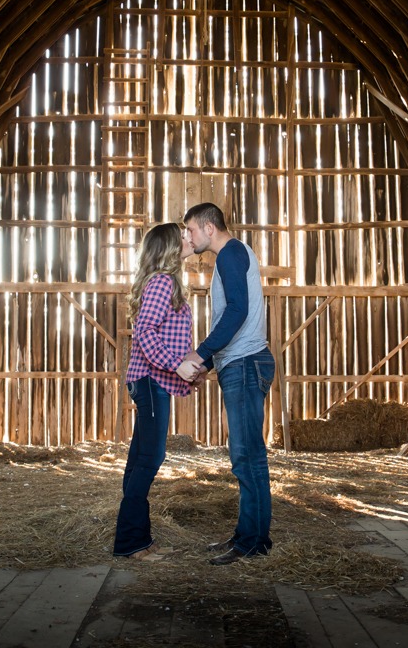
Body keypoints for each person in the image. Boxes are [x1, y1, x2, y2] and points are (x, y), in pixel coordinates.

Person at [176, 203, 275, 565]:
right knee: (245, 456)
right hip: (241, 363)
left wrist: (199, 355)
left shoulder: (231, 254)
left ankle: (253, 542)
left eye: (190, 230)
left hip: (247, 364)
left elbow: (237, 312)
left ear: (208, 227)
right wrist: (210, 361)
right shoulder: (231, 256)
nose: (187, 237)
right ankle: (248, 536)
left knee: (248, 457)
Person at [112, 222, 197, 561]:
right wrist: (176, 366)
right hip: (151, 379)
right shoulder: (162, 282)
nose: (189, 239)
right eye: (183, 236)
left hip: (151, 379)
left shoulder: (165, 283)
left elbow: (164, 336)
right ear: (169, 248)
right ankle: (131, 543)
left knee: (139, 459)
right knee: (150, 457)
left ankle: (139, 539)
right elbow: (144, 332)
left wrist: (189, 369)